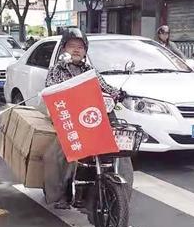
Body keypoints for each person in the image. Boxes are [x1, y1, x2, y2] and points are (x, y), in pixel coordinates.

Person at [43, 28, 133, 209]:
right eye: (71, 46)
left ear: (85, 51)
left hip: (93, 120)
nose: (76, 50)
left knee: (121, 150)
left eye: (80, 47)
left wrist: (119, 94)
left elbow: (106, 87)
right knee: (56, 154)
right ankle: (60, 194)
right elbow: (51, 90)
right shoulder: (56, 71)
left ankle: (122, 195)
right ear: (63, 50)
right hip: (69, 122)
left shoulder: (90, 71)